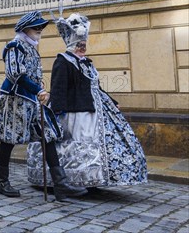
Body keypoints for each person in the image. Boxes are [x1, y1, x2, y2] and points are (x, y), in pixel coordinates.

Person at [27, 13, 148, 189]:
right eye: (79, 45)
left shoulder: (88, 63)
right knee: (73, 146)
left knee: (96, 146)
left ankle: (92, 178)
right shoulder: (62, 62)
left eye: (84, 45)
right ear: (72, 44)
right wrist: (57, 113)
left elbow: (95, 86)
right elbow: (58, 88)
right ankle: (69, 180)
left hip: (92, 109)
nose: (82, 47)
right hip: (73, 110)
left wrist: (112, 101)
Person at [0, 11, 87, 200]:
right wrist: (37, 89)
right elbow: (15, 74)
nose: (39, 30)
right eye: (36, 27)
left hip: (33, 102)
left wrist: (38, 89)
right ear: (24, 29)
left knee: (48, 136)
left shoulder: (31, 47)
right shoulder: (15, 46)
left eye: (41, 27)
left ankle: (60, 185)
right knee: (9, 140)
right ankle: (2, 182)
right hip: (15, 100)